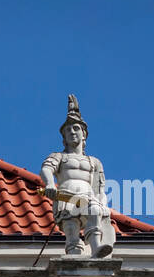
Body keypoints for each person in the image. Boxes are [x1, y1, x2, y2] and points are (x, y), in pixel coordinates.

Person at [42, 96, 113, 257]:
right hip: (66, 196)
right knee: (71, 229)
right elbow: (46, 169)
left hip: (88, 195)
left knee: (94, 211)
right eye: (68, 130)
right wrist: (50, 184)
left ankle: (96, 249)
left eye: (75, 128)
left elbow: (100, 187)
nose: (72, 132)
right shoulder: (59, 157)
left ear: (83, 134)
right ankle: (74, 257)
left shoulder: (94, 162)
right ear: (64, 137)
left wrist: (103, 203)